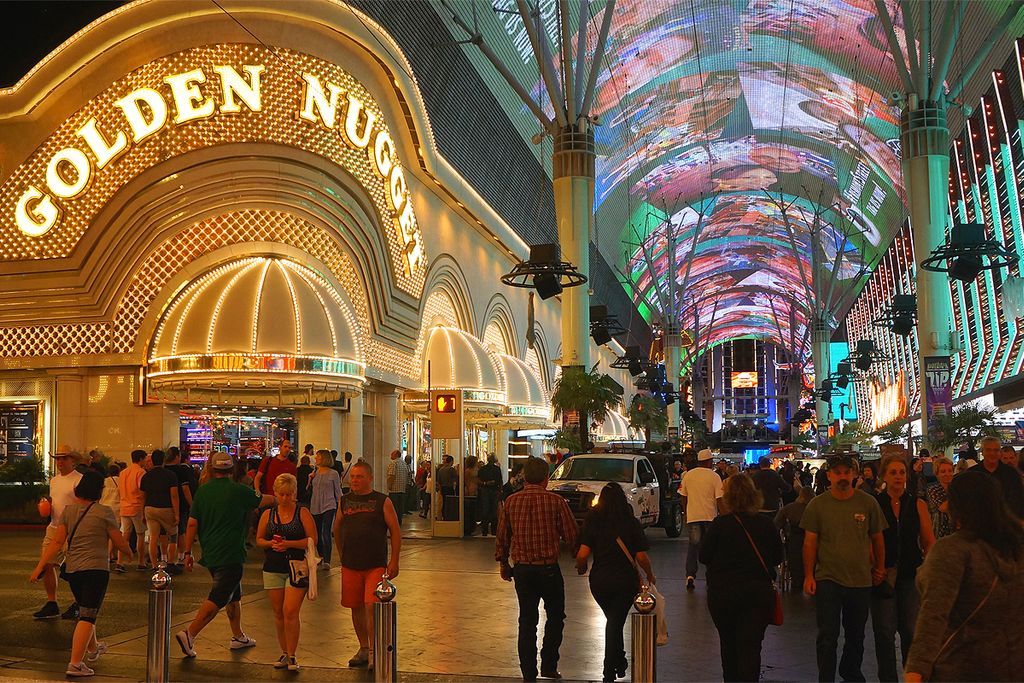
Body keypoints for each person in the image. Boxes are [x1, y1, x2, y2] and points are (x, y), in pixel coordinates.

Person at [904, 470, 1024, 682]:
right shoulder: (1016, 547)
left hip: (960, 667)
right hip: (1012, 665)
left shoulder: (952, 551)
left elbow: (933, 616)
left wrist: (916, 669)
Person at [29, 471, 132, 677]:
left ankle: (93, 649)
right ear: (99, 491)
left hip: (73, 570)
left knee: (85, 610)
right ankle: (75, 664)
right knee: (88, 615)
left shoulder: (69, 511)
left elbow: (57, 542)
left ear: (79, 489)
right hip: (96, 569)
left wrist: (41, 565)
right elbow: (118, 540)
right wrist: (129, 553)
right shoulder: (104, 512)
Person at [801, 455, 888, 682]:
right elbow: (810, 542)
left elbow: (877, 538)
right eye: (837, 472)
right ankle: (826, 676)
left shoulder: (868, 503)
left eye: (846, 472)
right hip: (828, 578)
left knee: (856, 635)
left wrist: (879, 567)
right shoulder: (817, 505)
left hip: (860, 580)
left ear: (854, 475)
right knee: (828, 635)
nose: (842, 477)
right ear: (829, 475)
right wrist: (809, 575)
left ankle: (851, 672)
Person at [176, 452, 267, 659]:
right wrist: (282, 496)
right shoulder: (238, 490)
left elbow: (192, 523)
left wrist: (188, 552)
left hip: (211, 552)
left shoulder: (203, 491)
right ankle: (189, 633)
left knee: (233, 594)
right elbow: (261, 500)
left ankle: (238, 636)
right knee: (219, 596)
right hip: (231, 552)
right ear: (231, 469)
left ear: (212, 468)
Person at [495, 457, 578, 682]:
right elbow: (571, 534)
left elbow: (502, 536)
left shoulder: (511, 501)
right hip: (549, 569)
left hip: (522, 571)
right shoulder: (556, 501)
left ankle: (528, 673)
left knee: (527, 621)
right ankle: (549, 664)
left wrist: (503, 563)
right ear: (545, 478)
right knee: (555, 617)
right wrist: (580, 558)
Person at [700, 474, 784, 682]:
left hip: (724, 593)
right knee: (751, 647)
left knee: (728, 645)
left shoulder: (720, 525)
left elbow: (704, 556)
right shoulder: (766, 524)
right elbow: (777, 557)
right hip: (757, 594)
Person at [575, 483, 655, 682]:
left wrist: (581, 567)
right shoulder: (630, 522)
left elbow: (582, 554)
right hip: (624, 581)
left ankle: (618, 661)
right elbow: (642, 556)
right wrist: (650, 574)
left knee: (613, 621)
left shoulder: (593, 521)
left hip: (600, 581)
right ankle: (609, 670)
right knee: (615, 622)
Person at [871, 455, 935, 682]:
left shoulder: (917, 503)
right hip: (883, 574)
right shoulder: (875, 503)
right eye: (893, 472)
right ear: (884, 476)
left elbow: (928, 540)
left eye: (901, 472)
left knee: (910, 631)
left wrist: (929, 568)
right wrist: (874, 567)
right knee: (884, 633)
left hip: (910, 572)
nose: (898, 477)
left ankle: (911, 676)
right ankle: (888, 678)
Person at [333, 461, 402, 670]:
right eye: (352, 477)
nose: (354, 480)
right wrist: (340, 552)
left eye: (359, 477)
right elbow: (337, 527)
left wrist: (394, 560)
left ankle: (374, 650)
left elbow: (395, 530)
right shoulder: (344, 501)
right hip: (351, 563)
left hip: (375, 564)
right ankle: (363, 647)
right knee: (355, 606)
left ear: (370, 478)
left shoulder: (382, 501)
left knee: (371, 606)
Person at [256, 473, 316, 671]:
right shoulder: (268, 514)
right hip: (273, 567)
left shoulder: (302, 513)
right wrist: (271, 544)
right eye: (281, 494)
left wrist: (288, 543)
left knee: (290, 611)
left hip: (297, 567)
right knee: (278, 612)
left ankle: (292, 654)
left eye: (289, 494)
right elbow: (259, 539)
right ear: (275, 493)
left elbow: (312, 540)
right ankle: (284, 652)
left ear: (294, 493)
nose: (285, 498)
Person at [34, 446, 85, 620]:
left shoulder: (79, 480)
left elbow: (82, 506)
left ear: (73, 460)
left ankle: (80, 603)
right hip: (54, 527)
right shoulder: (54, 481)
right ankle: (52, 602)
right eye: (58, 458)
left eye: (64, 458)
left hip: (72, 530)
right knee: (47, 563)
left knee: (74, 570)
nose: (60, 462)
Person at [679, 448, 724, 591]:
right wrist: (723, 515)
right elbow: (719, 499)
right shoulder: (715, 476)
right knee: (712, 547)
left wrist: (685, 512)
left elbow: (683, 495)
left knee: (693, 546)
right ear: (710, 461)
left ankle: (690, 575)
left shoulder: (688, 475)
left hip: (693, 516)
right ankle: (711, 574)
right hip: (710, 516)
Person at [140, 449, 180, 573]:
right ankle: (171, 562)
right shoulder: (170, 475)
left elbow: (143, 496)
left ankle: (154, 564)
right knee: (173, 535)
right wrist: (177, 514)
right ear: (163, 460)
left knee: (153, 537)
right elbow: (174, 495)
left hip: (149, 508)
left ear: (152, 461)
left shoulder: (146, 476)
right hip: (165, 508)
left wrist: (142, 512)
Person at [775, 485, 814, 591]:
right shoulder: (816, 508)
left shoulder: (789, 508)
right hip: (815, 542)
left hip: (794, 541)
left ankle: (797, 579)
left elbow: (776, 524)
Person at [308, 449, 341, 569]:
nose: (316, 458)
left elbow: (338, 492)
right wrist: (310, 479)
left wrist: (340, 507)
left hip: (329, 504)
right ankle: (321, 556)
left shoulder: (333, 474)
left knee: (326, 531)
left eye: (318, 456)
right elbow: (308, 488)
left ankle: (327, 559)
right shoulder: (315, 471)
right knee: (316, 532)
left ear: (324, 458)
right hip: (315, 505)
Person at [115, 449, 147, 573]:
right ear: (140, 459)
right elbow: (142, 490)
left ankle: (119, 562)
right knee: (140, 534)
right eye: (144, 459)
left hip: (124, 506)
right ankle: (141, 562)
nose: (145, 461)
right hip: (137, 506)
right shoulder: (140, 472)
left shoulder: (123, 473)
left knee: (124, 536)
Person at [977, 436, 1024, 518]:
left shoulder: (1011, 473)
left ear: (999, 453)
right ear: (982, 452)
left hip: (1007, 522)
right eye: (988, 450)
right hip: (979, 522)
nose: (992, 453)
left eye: (996, 450)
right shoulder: (973, 473)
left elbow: (1018, 500)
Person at [165, 447, 196, 571]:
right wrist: (192, 504)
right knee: (180, 532)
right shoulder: (181, 470)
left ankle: (164, 558)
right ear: (177, 457)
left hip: (163, 504)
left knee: (164, 534)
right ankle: (181, 557)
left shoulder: (163, 470)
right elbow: (185, 489)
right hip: (181, 505)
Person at [925, 457, 955, 538]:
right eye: (943, 471)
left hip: (956, 531)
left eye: (950, 471)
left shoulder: (956, 487)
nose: (947, 474)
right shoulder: (933, 489)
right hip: (939, 530)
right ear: (937, 474)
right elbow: (943, 507)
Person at [476, 453, 504, 536]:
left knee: (485, 510)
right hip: (495, 490)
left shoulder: (483, 469)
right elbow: (500, 480)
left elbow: (478, 480)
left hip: (485, 490)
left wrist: (485, 483)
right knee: (494, 510)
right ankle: (494, 530)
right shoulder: (497, 469)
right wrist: (500, 490)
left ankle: (484, 530)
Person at [100, 463, 121, 563]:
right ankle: (109, 554)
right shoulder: (120, 481)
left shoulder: (104, 481)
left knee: (105, 533)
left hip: (104, 506)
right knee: (113, 532)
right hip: (116, 508)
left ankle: (109, 554)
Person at [385, 449, 410, 525]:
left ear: (396, 455)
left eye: (392, 454)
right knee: (400, 508)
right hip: (402, 489)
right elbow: (407, 476)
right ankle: (399, 522)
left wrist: (389, 486)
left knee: (394, 508)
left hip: (394, 490)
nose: (390, 455)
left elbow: (391, 475)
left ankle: (394, 523)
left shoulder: (393, 463)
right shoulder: (404, 464)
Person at [436, 454, 459, 520]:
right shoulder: (451, 469)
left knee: (444, 502)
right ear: (451, 461)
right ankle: (449, 515)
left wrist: (440, 489)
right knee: (450, 502)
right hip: (449, 488)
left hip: (443, 488)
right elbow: (456, 479)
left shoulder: (441, 470)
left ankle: (444, 515)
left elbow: (439, 481)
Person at [463, 455, 479, 535]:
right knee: (471, 509)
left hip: (470, 488)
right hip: (472, 489)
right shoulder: (470, 471)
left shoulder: (467, 470)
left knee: (472, 508)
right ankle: (471, 526)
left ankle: (471, 526)